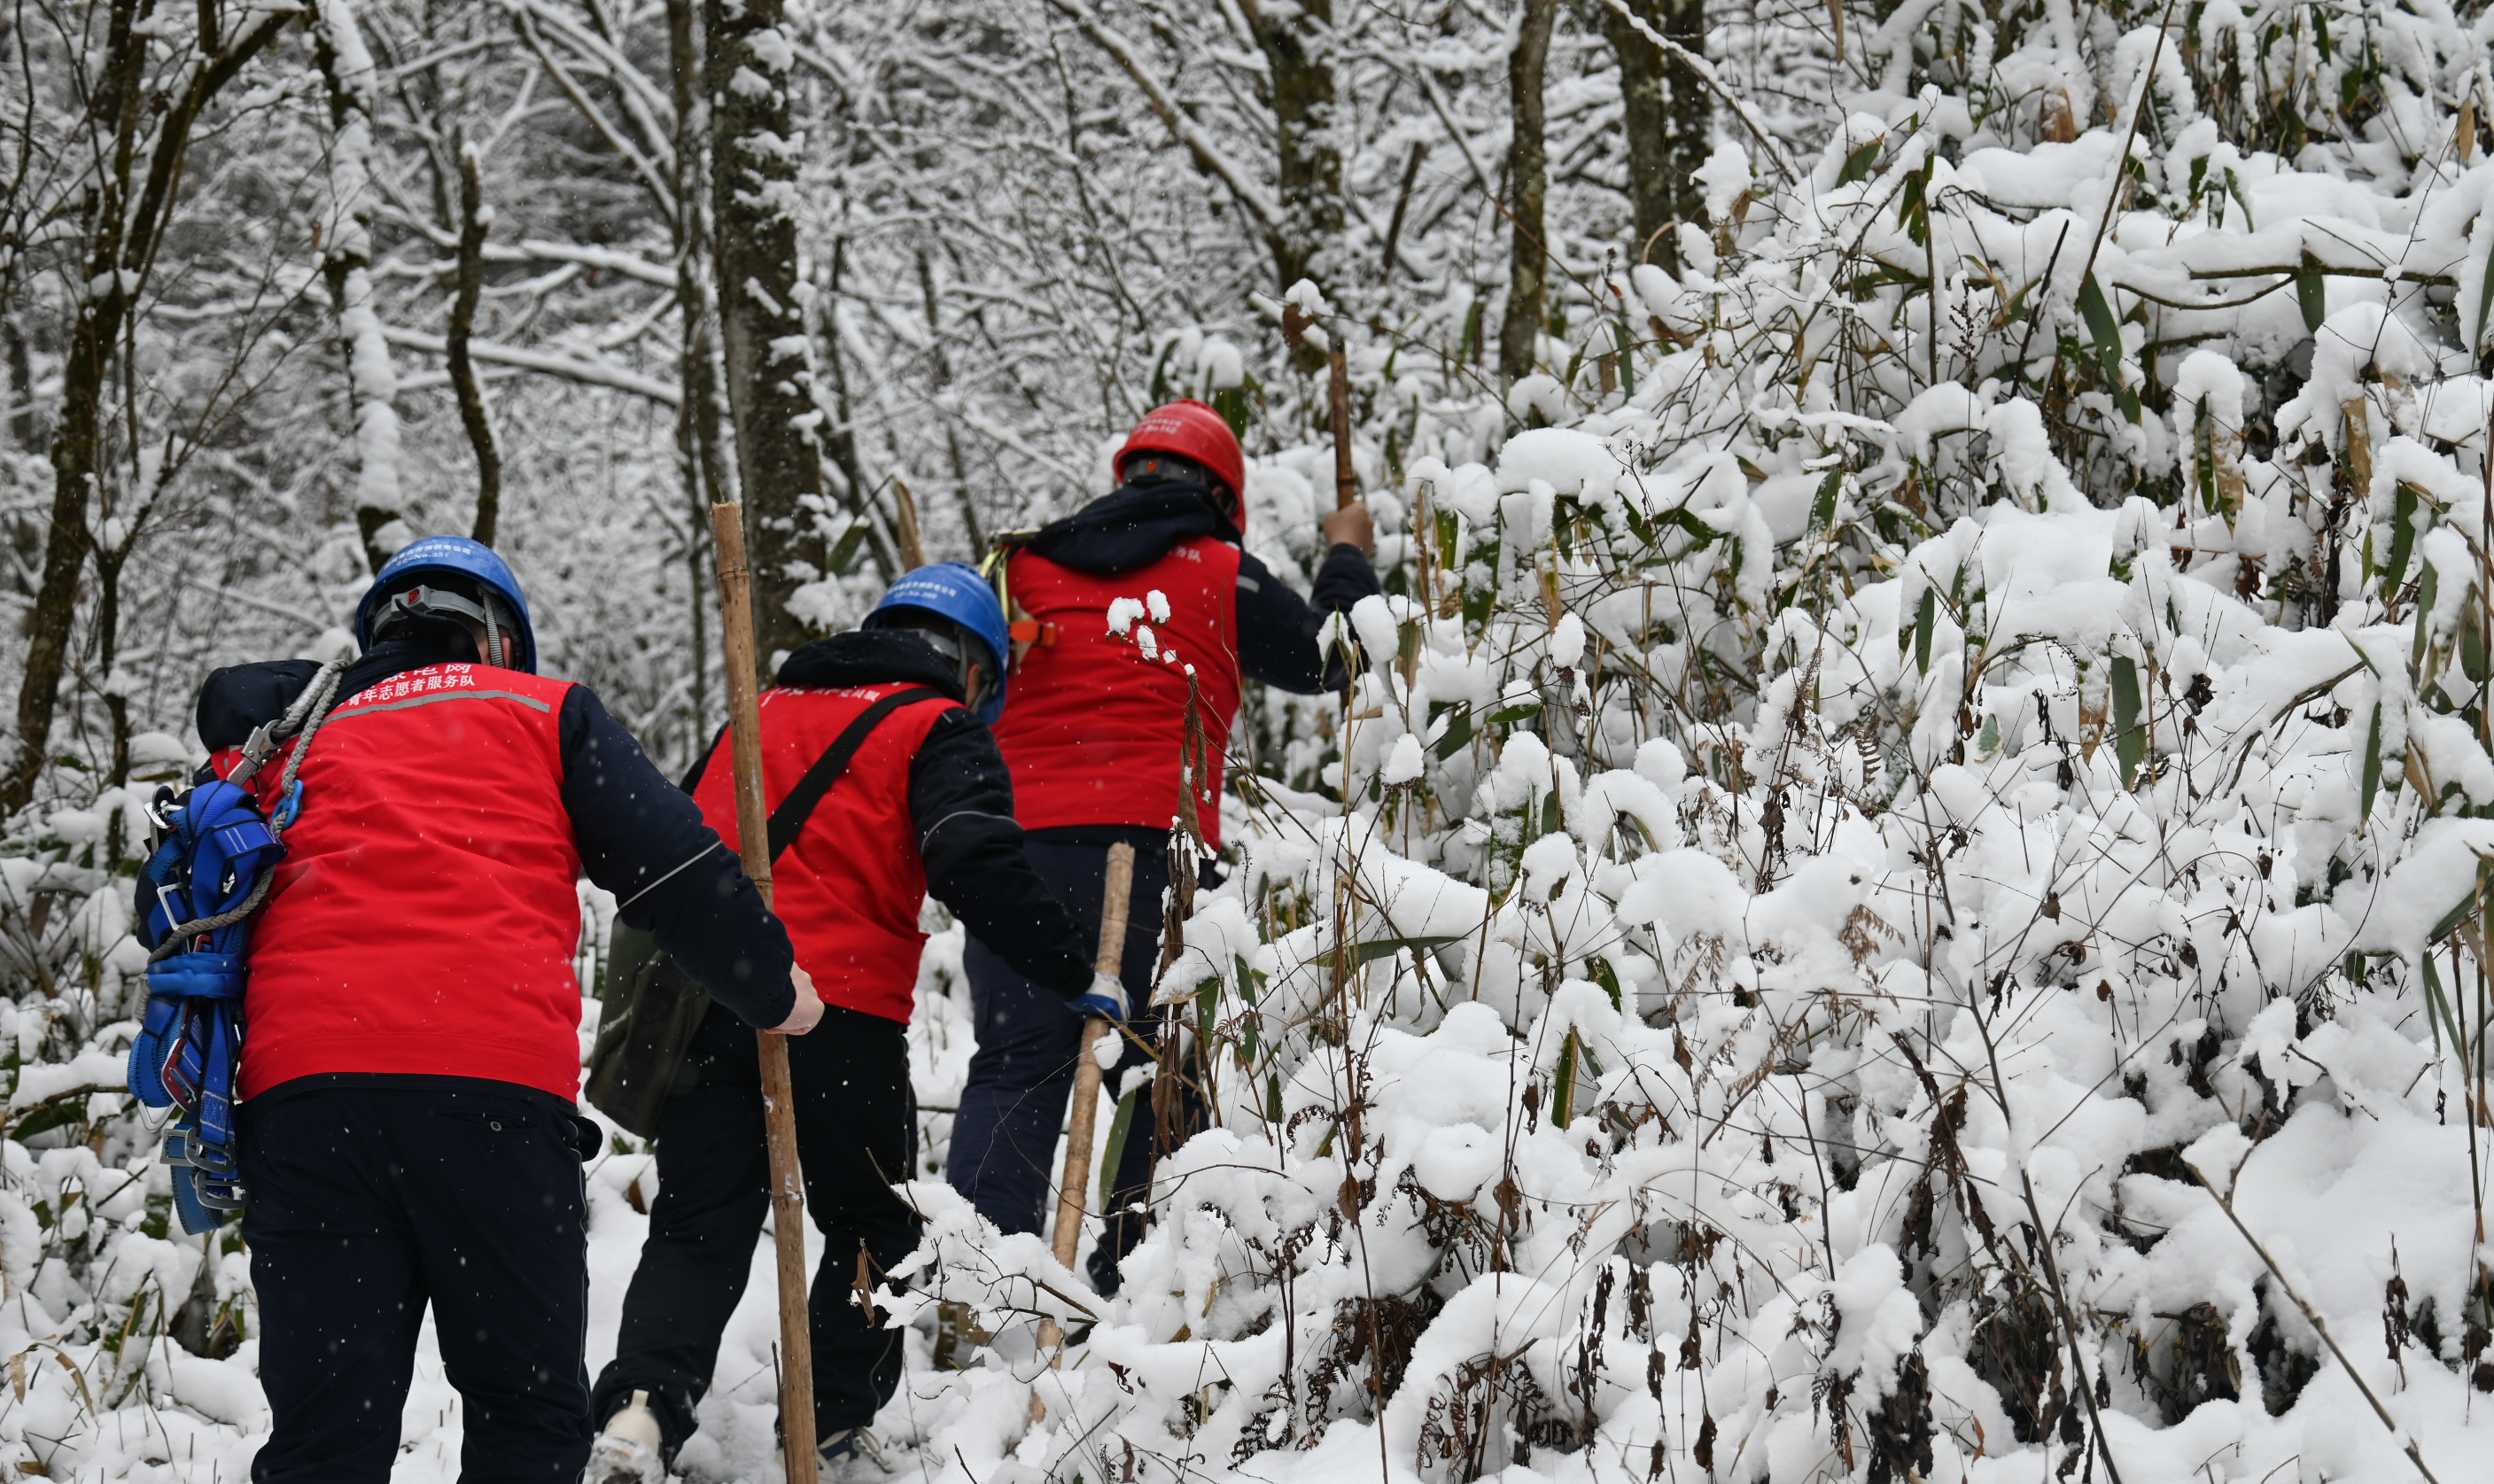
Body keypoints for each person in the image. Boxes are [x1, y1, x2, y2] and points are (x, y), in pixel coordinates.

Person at [183, 536, 819, 1484]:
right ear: (499, 638)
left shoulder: (294, 736)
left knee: (323, 1437)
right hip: (485, 1098)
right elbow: (676, 870)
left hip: (305, 1102)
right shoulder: (542, 711)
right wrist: (773, 986)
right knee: (524, 1414)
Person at [587, 563, 1124, 1480]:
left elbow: (666, 844)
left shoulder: (754, 713)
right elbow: (972, 858)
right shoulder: (935, 724)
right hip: (838, 1009)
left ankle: (641, 1407)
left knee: (699, 1223)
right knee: (876, 1225)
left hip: (711, 1001)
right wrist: (1073, 969)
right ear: (974, 669)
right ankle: (829, 1421)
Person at [948, 400, 1379, 1290]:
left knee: (1013, 1068)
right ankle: (1140, 1293)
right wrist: (1348, 554)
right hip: (1154, 858)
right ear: (1225, 496)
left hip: (1012, 854)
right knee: (1157, 1080)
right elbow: (1336, 658)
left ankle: (977, 1293)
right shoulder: (1224, 571)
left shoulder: (1016, 564)